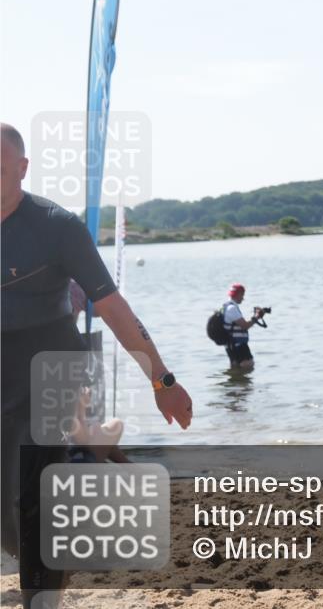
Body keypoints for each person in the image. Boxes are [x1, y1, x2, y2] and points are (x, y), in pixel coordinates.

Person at [0, 123, 192, 607]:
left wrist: (161, 377)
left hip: (53, 369)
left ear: (22, 169)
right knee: (10, 518)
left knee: (32, 491)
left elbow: (113, 306)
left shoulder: (57, 227)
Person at [222, 283, 265, 370]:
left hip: (231, 345)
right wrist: (257, 316)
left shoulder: (226, 307)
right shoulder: (232, 308)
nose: (243, 298)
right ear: (238, 294)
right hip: (238, 345)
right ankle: (240, 381)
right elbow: (244, 326)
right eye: (242, 295)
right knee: (248, 365)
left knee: (235, 367)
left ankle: (236, 381)